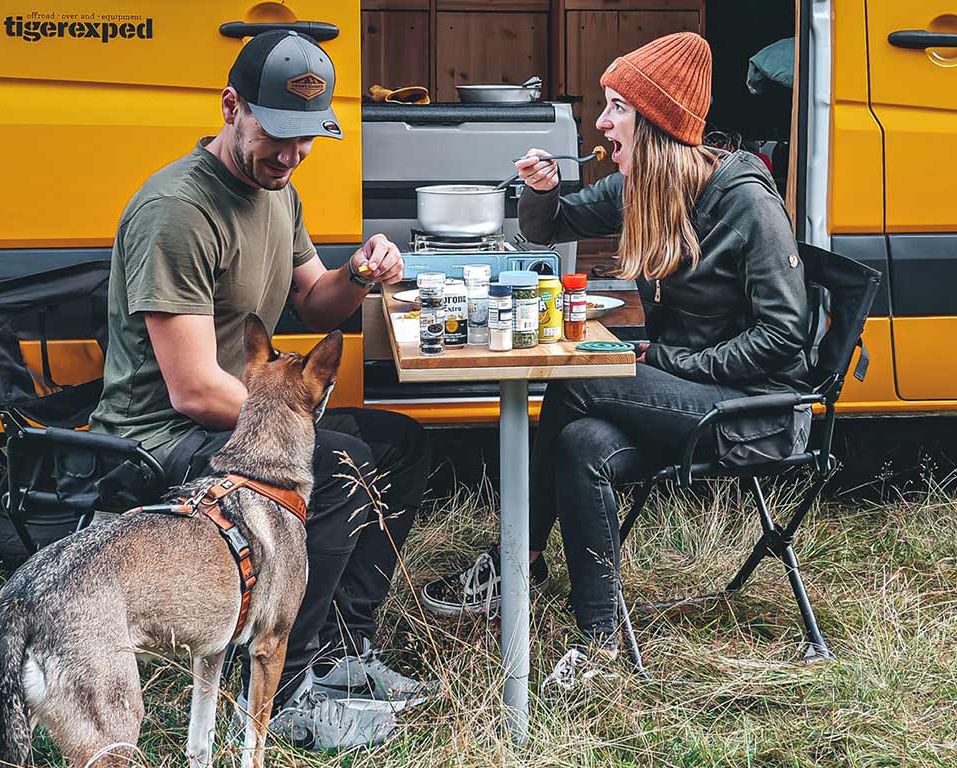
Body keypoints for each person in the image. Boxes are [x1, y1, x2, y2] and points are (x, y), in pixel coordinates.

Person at [420, 32, 811, 678]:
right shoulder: (643, 190)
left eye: (615, 108)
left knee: (576, 386)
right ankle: (599, 642)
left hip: (751, 411)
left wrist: (675, 366)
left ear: (653, 123)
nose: (600, 123)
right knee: (581, 444)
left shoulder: (745, 200)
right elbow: (546, 227)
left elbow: (785, 334)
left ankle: (515, 561)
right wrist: (539, 189)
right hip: (685, 396)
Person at [89, 30, 433, 747]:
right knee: (339, 471)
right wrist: (298, 430)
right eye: (278, 135)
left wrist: (361, 275)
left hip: (239, 415)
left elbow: (314, 302)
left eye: (307, 139)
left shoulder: (278, 188)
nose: (292, 154)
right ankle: (291, 686)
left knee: (403, 445)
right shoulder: (179, 212)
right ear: (230, 107)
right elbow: (191, 390)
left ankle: (342, 648)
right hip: (160, 436)